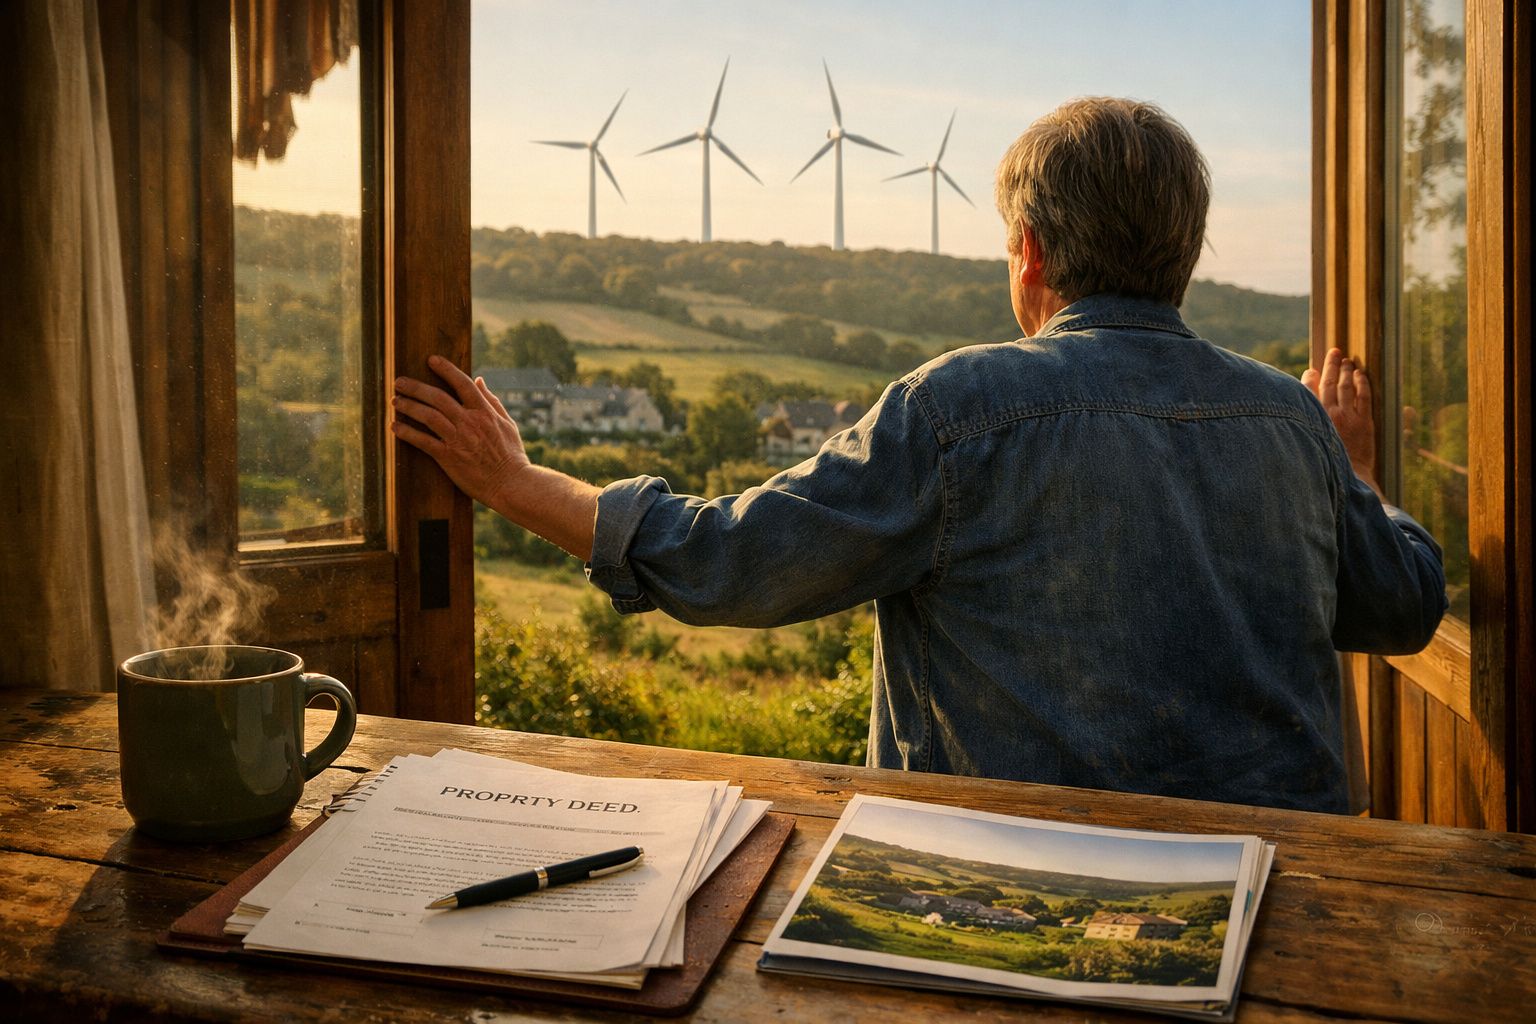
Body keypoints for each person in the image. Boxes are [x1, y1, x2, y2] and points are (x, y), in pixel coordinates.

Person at [392, 97, 1446, 814]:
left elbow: (732, 562)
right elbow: (1404, 607)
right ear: (1186, 253)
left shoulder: (958, 412)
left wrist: (514, 482)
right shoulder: (1290, 419)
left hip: (1014, 902)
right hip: (1280, 895)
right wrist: (1353, 474)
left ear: (1030, 250)